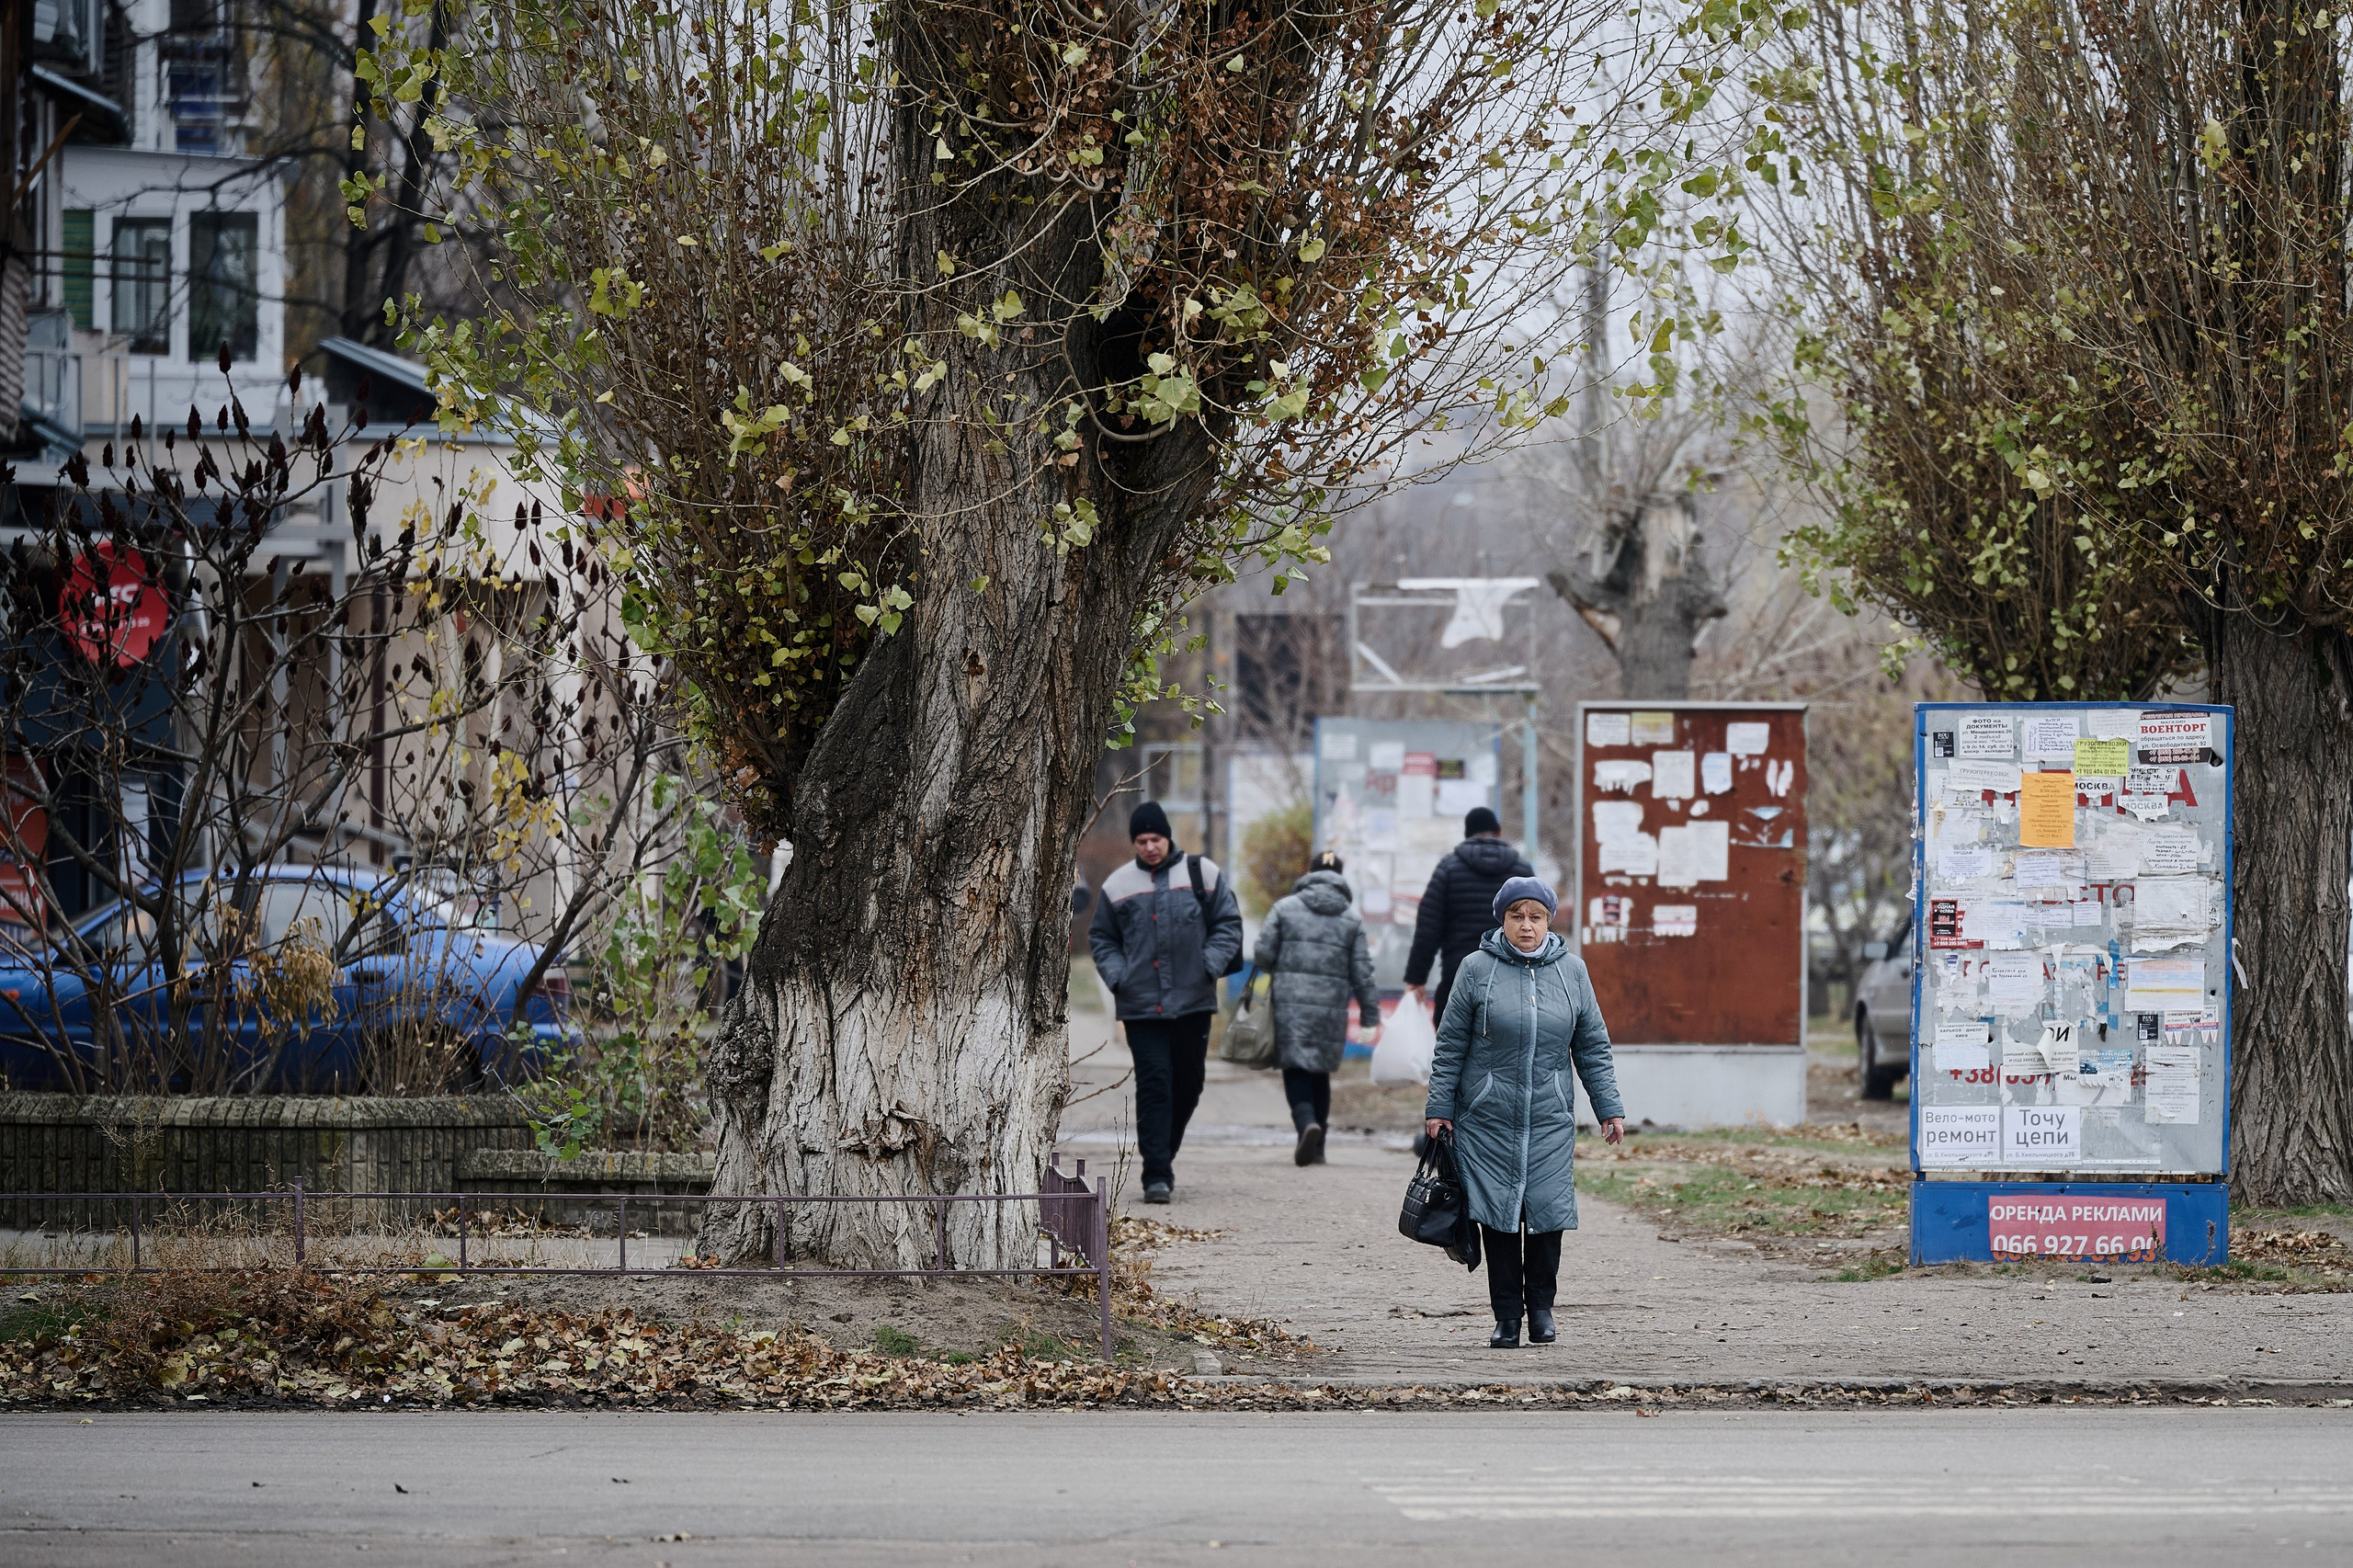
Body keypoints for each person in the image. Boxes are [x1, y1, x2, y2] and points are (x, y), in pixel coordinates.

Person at [1423, 875, 1625, 1349]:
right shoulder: (1475, 969)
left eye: (1536, 917)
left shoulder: (1572, 971)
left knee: (1546, 1216)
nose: (1527, 926)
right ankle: (1506, 1317)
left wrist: (1608, 1107)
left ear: (1550, 921)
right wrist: (1439, 1107)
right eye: (1517, 916)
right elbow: (1450, 1045)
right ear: (1503, 920)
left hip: (1550, 1118)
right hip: (1486, 1116)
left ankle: (1541, 1310)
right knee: (1496, 1218)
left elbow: (1593, 1045)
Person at [1087, 801, 1245, 1204]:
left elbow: (1228, 923)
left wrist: (1208, 964)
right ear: (1134, 843)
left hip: (1193, 1000)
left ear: (1167, 836)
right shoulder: (1118, 885)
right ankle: (1156, 1172)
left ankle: (1163, 1152)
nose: (1150, 847)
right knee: (1155, 1084)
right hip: (1141, 1005)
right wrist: (1119, 976)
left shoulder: (1202, 873)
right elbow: (1102, 938)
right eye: (1141, 841)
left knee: (1189, 1083)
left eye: (1155, 838)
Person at [1251, 849, 1382, 1168]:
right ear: (1340, 877)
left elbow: (1263, 955)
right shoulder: (1351, 919)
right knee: (1320, 1072)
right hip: (1330, 1009)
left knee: (1295, 1068)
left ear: (1309, 874)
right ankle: (1319, 1146)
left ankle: (1306, 1123)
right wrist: (1369, 1016)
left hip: (1289, 1006)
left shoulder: (1284, 908)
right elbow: (1363, 972)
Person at [1404, 806, 1534, 1019]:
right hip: (1512, 977)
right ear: (1499, 833)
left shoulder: (1448, 869)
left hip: (1459, 976)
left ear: (1467, 835)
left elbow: (1428, 928)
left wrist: (1416, 979)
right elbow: (1540, 926)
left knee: (1454, 1045)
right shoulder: (1523, 872)